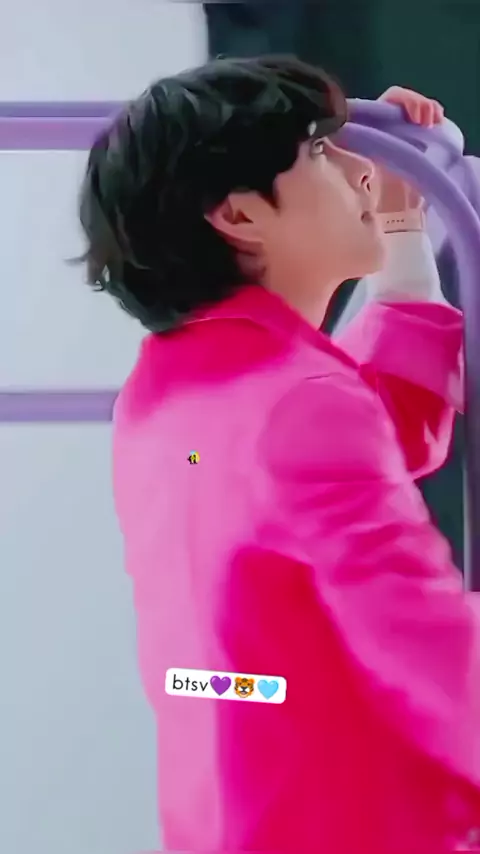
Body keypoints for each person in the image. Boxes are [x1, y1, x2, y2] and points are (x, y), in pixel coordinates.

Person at [77, 57, 480, 853]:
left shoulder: (166, 394)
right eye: (322, 151)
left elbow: (373, 436)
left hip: (237, 814)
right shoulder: (300, 402)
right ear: (239, 214)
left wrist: (402, 229)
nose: (363, 171)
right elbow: (417, 636)